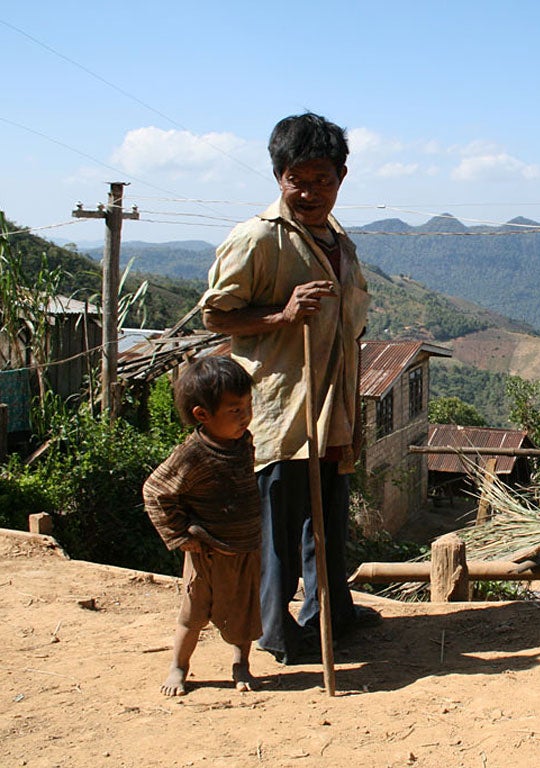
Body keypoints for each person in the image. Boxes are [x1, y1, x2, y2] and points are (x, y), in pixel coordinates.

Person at [200, 112, 377, 666]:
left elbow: (351, 325)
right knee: (278, 530)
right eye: (297, 179)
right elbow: (215, 316)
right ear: (279, 177)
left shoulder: (340, 241)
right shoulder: (258, 238)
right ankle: (277, 634)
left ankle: (330, 617)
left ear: (341, 178)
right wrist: (281, 315)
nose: (309, 192)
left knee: (326, 524)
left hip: (333, 409)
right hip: (282, 410)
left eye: (322, 179)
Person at [143, 356, 263, 696]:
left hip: (244, 549)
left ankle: (241, 665)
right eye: (235, 410)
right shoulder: (192, 454)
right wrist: (180, 534)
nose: (245, 416)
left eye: (248, 406)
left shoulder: (243, 442)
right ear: (202, 415)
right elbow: (155, 492)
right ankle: (179, 667)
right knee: (192, 616)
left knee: (243, 616)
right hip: (206, 553)